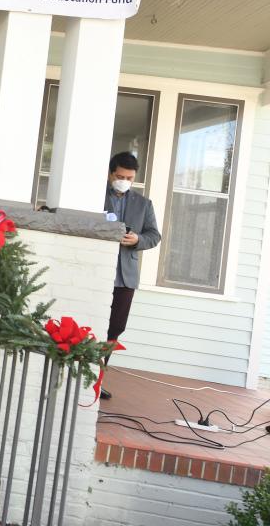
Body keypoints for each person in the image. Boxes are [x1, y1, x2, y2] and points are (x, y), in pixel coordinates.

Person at [101, 151, 161, 400]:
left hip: (124, 277)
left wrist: (137, 239)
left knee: (115, 328)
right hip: (97, 271)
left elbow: (154, 235)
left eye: (129, 177)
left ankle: (96, 378)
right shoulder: (93, 194)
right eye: (120, 176)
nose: (124, 180)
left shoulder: (143, 204)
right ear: (110, 173)